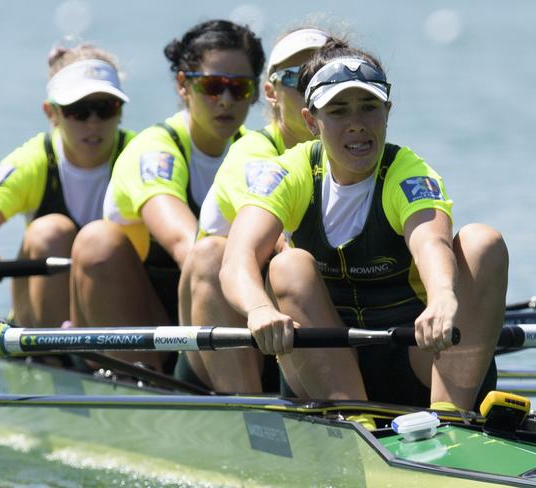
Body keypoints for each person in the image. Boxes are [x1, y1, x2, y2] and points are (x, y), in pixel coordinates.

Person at [217, 38, 508, 414]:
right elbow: (236, 258)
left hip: (420, 360)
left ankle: (452, 420)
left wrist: (442, 297)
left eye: (369, 107)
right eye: (338, 111)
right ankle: (355, 419)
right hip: (328, 367)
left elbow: (431, 243)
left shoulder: (408, 173)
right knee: (287, 266)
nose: (357, 125)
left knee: (482, 242)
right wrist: (258, 309)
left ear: (387, 111)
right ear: (311, 121)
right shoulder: (289, 172)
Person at [69, 19, 264, 372]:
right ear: (183, 85)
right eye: (212, 85)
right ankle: (135, 384)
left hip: (216, 313)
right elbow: (183, 243)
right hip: (140, 319)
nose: (225, 100)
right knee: (98, 241)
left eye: (240, 88)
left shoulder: (255, 150)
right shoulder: (156, 150)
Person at [0, 43, 136, 327]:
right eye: (78, 110)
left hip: (118, 310)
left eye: (106, 108)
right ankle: (52, 359)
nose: (93, 123)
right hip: (48, 320)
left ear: (121, 110)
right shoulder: (33, 162)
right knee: (50, 231)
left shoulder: (141, 155)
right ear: (51, 113)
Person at [178, 27, 330, 393]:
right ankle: (250, 411)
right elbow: (283, 243)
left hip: (299, 332)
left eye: (321, 78)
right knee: (215, 254)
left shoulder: (357, 149)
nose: (311, 89)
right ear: (271, 92)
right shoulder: (253, 155)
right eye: (298, 78)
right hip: (233, 333)